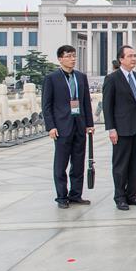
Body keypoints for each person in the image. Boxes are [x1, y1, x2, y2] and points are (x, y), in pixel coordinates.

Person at [42, 45, 94, 209]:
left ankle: (76, 194)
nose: (72, 59)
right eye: (69, 56)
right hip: (62, 126)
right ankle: (61, 196)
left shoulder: (80, 77)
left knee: (78, 162)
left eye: (74, 56)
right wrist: (51, 126)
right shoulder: (52, 78)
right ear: (60, 58)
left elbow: (86, 102)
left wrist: (89, 124)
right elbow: (46, 105)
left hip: (79, 124)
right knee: (61, 163)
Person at [103, 45, 136, 211]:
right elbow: (107, 107)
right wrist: (111, 128)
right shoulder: (112, 79)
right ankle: (120, 197)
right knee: (121, 165)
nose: (133, 59)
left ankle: (132, 195)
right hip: (121, 129)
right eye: (130, 56)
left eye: (135, 55)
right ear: (121, 59)